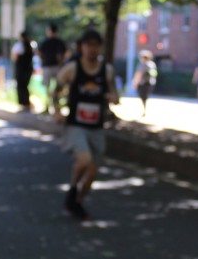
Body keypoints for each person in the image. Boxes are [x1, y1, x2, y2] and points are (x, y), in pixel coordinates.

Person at [53, 29, 119, 221]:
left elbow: (113, 92)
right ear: (81, 47)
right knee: (84, 159)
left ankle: (77, 202)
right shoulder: (72, 69)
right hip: (76, 125)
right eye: (88, 45)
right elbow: (56, 90)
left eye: (96, 45)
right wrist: (57, 111)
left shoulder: (107, 70)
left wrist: (114, 98)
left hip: (96, 126)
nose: (92, 49)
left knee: (92, 173)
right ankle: (73, 190)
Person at [39, 23, 67, 102]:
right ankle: (52, 102)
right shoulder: (58, 42)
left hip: (51, 66)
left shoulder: (46, 42)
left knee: (52, 86)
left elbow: (39, 54)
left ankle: (52, 102)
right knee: (54, 86)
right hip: (54, 66)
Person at [11, 30, 36, 111]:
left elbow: (15, 56)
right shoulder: (30, 45)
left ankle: (23, 104)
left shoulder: (20, 45)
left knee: (21, 87)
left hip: (21, 69)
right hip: (28, 69)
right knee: (25, 87)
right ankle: (26, 104)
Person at [132, 50, 157, 117]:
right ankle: (144, 110)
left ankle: (144, 110)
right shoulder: (152, 64)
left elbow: (139, 74)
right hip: (150, 83)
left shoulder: (143, 65)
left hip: (143, 83)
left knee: (143, 97)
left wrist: (135, 83)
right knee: (145, 97)